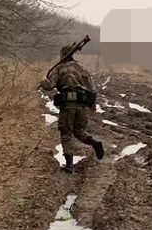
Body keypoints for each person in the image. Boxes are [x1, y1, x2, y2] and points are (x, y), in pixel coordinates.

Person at [39, 44, 105, 173]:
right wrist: (93, 105)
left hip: (68, 104)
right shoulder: (82, 68)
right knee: (79, 130)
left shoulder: (59, 69)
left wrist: (42, 80)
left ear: (62, 55)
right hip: (82, 104)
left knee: (66, 133)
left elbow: (49, 86)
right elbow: (91, 89)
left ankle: (69, 165)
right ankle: (95, 143)